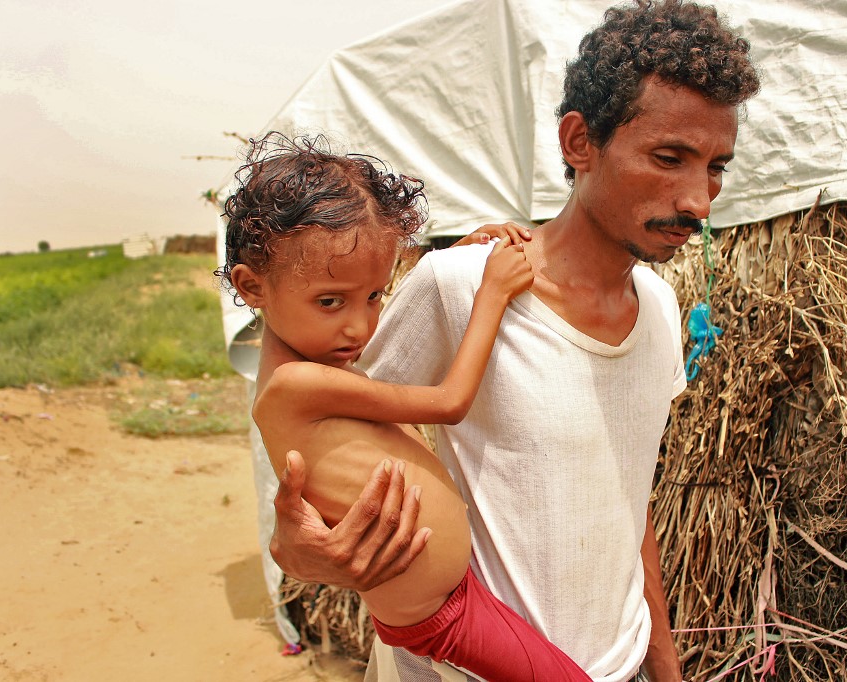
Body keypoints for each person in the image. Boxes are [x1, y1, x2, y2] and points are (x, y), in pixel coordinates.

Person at [271, 1, 761, 680]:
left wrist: (661, 662)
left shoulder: (658, 307)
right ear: (579, 142)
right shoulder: (460, 287)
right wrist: (296, 546)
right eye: (668, 158)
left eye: (716, 168)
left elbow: (627, 495)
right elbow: (318, 432)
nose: (698, 202)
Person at [218, 133, 591, 680]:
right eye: (330, 301)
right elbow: (449, 402)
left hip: (455, 596)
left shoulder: (315, 364)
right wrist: (491, 293)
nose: (360, 326)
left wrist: (459, 255)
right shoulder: (295, 384)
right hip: (437, 618)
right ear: (252, 287)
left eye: (373, 295)